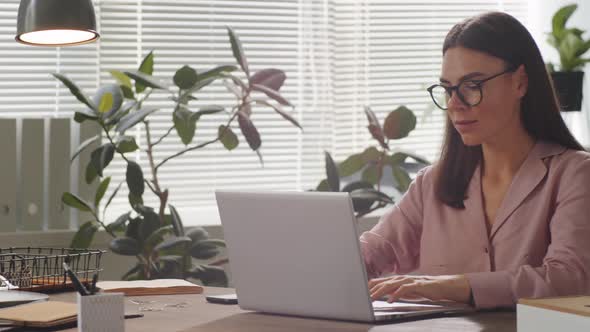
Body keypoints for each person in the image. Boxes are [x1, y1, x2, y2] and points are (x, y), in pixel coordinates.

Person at [360, 11, 590, 309]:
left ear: (520, 82)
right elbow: (372, 252)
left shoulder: (575, 174)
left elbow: (570, 280)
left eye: (472, 85)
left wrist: (458, 285)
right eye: (448, 88)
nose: (455, 104)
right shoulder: (432, 183)